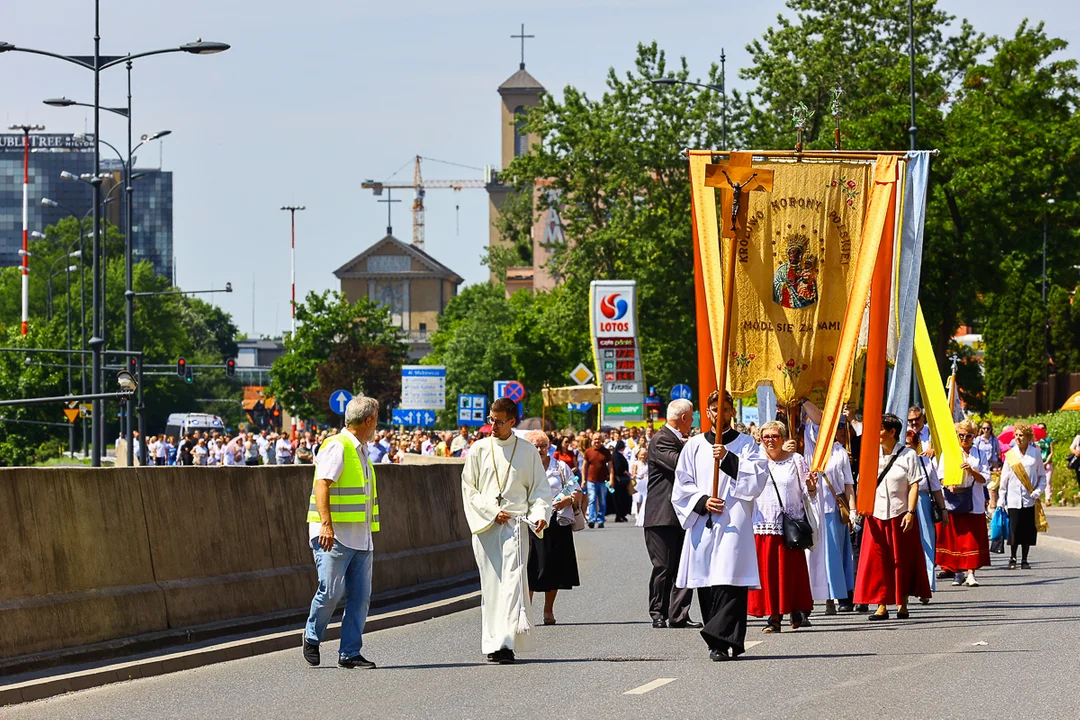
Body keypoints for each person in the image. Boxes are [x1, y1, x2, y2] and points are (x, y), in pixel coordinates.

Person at [672, 391, 769, 660]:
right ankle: (718, 643)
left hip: (734, 521)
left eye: (725, 409)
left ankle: (722, 637)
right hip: (705, 521)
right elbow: (682, 484)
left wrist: (728, 458)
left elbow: (757, 480)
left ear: (732, 412)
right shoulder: (693, 445)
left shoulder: (747, 443)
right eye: (714, 409)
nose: (719, 413)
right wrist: (702, 501)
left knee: (730, 579)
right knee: (706, 581)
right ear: (707, 412)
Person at [461, 398, 550, 665]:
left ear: (512, 421)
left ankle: (506, 643)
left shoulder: (527, 451)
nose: (493, 426)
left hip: (515, 527)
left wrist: (540, 515)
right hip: (487, 527)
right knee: (491, 586)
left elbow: (539, 491)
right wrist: (490, 511)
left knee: (512, 584)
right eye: (491, 420)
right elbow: (469, 489)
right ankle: (492, 642)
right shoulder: (477, 450)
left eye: (499, 422)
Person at [302, 395, 381, 670]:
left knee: (360, 599)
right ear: (368, 420)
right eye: (376, 420)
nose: (377, 426)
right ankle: (312, 635)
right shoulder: (338, 446)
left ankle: (349, 653)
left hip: (361, 537)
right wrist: (326, 524)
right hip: (334, 535)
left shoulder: (361, 449)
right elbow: (322, 485)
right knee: (331, 592)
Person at [854, 413, 932, 621]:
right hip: (876, 514)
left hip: (900, 513)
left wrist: (911, 511)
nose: (876, 433)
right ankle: (881, 605)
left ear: (891, 432)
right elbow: (862, 483)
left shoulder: (908, 455)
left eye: (880, 429)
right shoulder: (871, 454)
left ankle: (902, 603)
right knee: (878, 561)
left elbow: (914, 483)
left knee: (901, 559)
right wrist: (861, 508)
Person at [748, 420, 816, 632]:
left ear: (783, 438)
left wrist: (812, 488)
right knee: (768, 575)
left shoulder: (796, 460)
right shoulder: (756, 461)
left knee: (790, 574)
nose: (770, 440)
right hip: (763, 524)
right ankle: (773, 617)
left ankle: (795, 608)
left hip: (789, 525)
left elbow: (808, 493)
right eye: (766, 436)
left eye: (775, 436)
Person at [643, 399, 702, 630]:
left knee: (683, 566)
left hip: (682, 513)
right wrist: (694, 447)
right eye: (691, 418)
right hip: (662, 515)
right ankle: (658, 612)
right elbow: (680, 465)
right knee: (664, 566)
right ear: (685, 418)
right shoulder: (662, 439)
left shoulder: (676, 439)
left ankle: (678, 614)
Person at [524, 430, 581, 626]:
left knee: (554, 568)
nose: (540, 449)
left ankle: (548, 610)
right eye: (535, 446)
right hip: (531, 522)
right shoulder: (524, 467)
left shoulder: (560, 467)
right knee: (531, 566)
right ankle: (527, 611)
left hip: (556, 522)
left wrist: (568, 499)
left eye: (543, 446)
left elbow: (575, 487)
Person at [936, 420, 990, 587]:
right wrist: (948, 483)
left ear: (974, 436)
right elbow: (940, 476)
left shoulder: (979, 454)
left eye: (968, 435)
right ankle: (958, 572)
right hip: (954, 501)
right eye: (961, 435)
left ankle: (971, 573)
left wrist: (971, 470)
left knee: (972, 538)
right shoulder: (950, 453)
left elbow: (985, 479)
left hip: (974, 501)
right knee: (956, 538)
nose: (964, 438)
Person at [819, 419, 857, 613]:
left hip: (834, 509)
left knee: (836, 555)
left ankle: (841, 596)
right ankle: (825, 597)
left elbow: (848, 484)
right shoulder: (807, 450)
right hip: (813, 509)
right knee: (818, 556)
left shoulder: (840, 452)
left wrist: (853, 511)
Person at [998, 422, 1047, 570]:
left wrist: (1038, 492)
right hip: (1013, 499)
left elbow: (1042, 477)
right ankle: (1012, 558)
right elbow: (1004, 479)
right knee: (1014, 529)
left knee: (1027, 530)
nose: (1018, 438)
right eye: (1017, 435)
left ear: (1028, 437)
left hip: (1029, 498)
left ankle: (1024, 560)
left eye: (1021, 435)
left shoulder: (1035, 453)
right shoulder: (1011, 455)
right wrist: (1001, 498)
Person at [583, 434, 613, 529]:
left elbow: (610, 466)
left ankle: (600, 520)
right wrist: (583, 479)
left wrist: (611, 479)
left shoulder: (606, 452)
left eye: (599, 439)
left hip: (603, 481)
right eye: (595, 439)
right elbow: (584, 466)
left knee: (602, 501)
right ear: (592, 440)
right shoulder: (588, 452)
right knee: (592, 499)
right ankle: (592, 519)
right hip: (591, 480)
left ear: (602, 440)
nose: (597, 441)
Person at [611, 439, 633, 522]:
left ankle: (622, 514)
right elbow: (618, 467)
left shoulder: (618, 455)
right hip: (619, 480)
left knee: (623, 498)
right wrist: (625, 472)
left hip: (622, 481)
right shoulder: (616, 455)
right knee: (619, 499)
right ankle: (619, 514)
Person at [1035, 424, 1054, 505]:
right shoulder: (1035, 440)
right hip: (1037, 463)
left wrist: (1046, 462)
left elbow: (1051, 452)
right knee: (1037, 481)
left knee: (1047, 480)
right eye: (1040, 428)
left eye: (1043, 428)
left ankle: (1047, 499)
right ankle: (1038, 497)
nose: (1041, 429)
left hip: (1048, 463)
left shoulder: (1049, 439)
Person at [630, 447, 648, 520]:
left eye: (644, 455)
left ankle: (643, 512)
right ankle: (638, 511)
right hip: (638, 481)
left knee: (645, 498)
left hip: (645, 481)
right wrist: (637, 476)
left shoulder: (647, 463)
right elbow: (633, 473)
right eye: (641, 455)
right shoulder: (636, 463)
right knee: (638, 498)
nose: (643, 456)